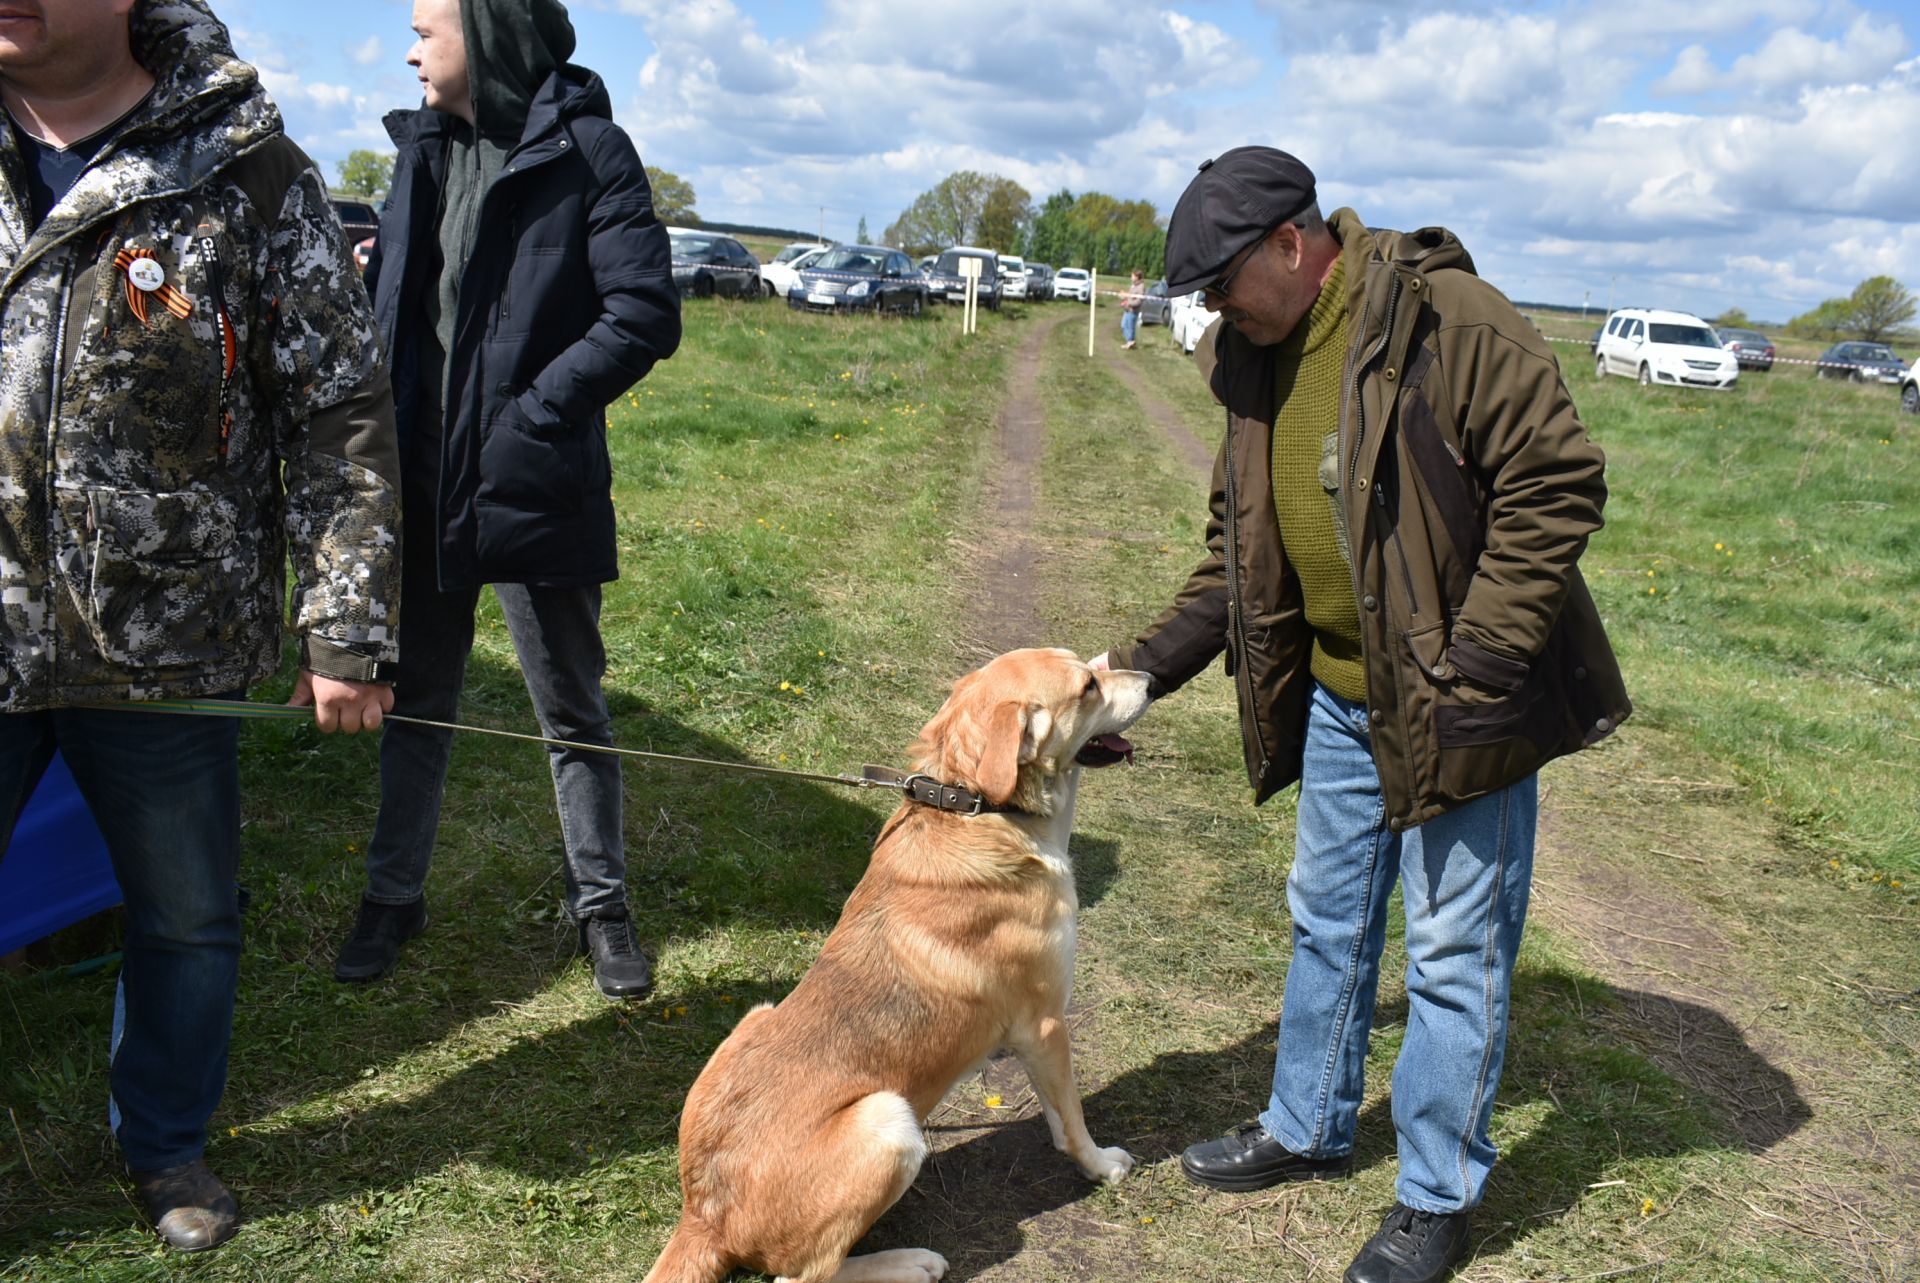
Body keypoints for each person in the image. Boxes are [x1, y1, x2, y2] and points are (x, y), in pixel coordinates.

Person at [1095, 148, 1629, 1283]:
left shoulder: (1449, 317)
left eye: (1221, 282)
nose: (1210, 309)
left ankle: (1438, 1195)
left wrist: (1479, 661)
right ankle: (1306, 1122)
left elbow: (1559, 479)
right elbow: (1231, 564)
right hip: (1340, 700)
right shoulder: (1254, 356)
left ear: (1292, 245)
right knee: (1325, 919)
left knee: (1450, 951)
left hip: (1462, 706)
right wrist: (1132, 675)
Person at [0, 0, 401, 1252]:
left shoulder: (246, 170)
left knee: (182, 915)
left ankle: (165, 1138)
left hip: (163, 652)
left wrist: (346, 624)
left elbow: (340, 413)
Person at [337, 0, 681, 997]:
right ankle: (393, 896)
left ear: (486, 38)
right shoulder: (419, 153)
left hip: (538, 481)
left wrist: (536, 412)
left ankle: (603, 907)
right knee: (420, 702)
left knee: (571, 708)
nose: (408, 50)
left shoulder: (591, 151)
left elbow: (644, 310)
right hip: (426, 480)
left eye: (424, 29)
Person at [1120, 267, 1145, 348]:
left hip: (1133, 310)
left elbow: (1139, 301)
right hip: (1127, 309)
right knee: (1123, 325)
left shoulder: (1141, 286)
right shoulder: (1133, 285)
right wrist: (1124, 296)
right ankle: (1131, 342)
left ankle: (1130, 342)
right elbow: (1130, 296)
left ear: (1137, 277)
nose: (1131, 277)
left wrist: (1129, 303)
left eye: (1132, 276)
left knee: (1130, 327)